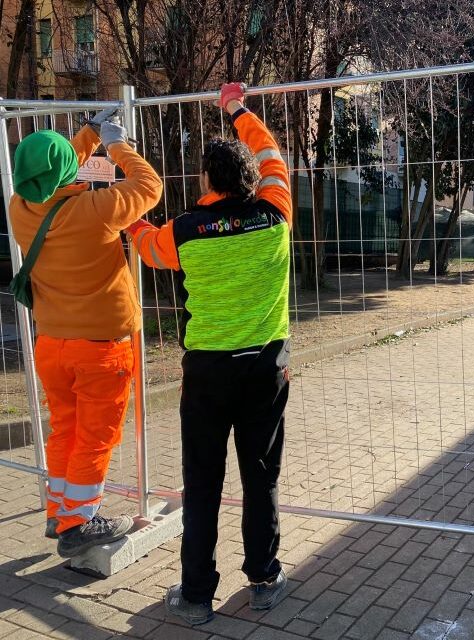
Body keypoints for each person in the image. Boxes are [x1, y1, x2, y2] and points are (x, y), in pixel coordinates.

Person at [126, 82, 292, 625]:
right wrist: (236, 107)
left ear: (205, 181)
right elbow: (270, 151)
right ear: (251, 179)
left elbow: (144, 245)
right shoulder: (275, 212)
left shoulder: (184, 231)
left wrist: (123, 207)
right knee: (260, 477)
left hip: (206, 374)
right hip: (265, 368)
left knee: (202, 484)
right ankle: (263, 578)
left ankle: (196, 595)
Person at [9, 110, 163, 558]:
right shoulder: (96, 210)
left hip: (52, 344)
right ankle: (79, 523)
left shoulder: (19, 209)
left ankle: (58, 512)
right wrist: (117, 145)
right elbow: (150, 186)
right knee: (95, 437)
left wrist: (90, 134)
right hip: (100, 348)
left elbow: (52, 171)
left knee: (65, 429)